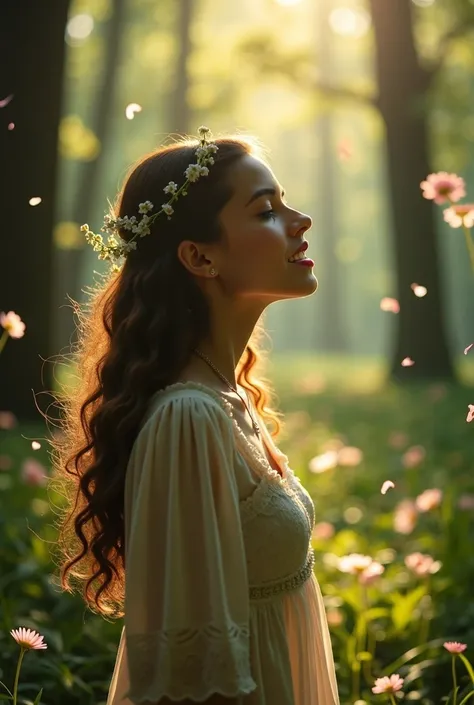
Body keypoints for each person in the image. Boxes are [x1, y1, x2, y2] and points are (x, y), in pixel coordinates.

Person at [50, 127, 340, 704]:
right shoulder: (189, 417)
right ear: (200, 256)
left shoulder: (228, 397)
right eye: (267, 211)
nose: (300, 220)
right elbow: (194, 676)